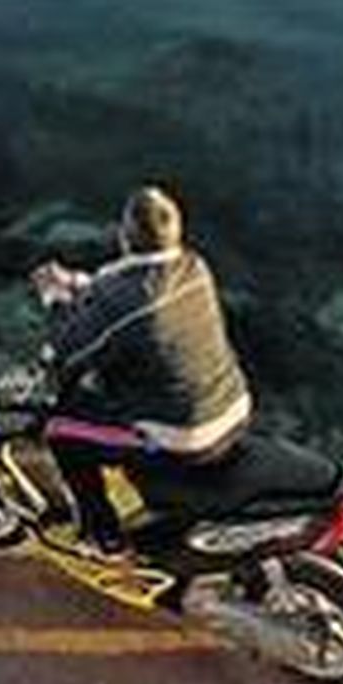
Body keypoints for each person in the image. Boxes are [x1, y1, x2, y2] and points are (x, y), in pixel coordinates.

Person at [31, 184, 252, 554]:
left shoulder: (124, 304)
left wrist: (54, 300)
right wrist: (80, 285)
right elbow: (130, 293)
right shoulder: (195, 267)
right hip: (234, 406)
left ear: (124, 235)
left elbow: (69, 353)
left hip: (184, 435)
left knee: (62, 433)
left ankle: (100, 536)